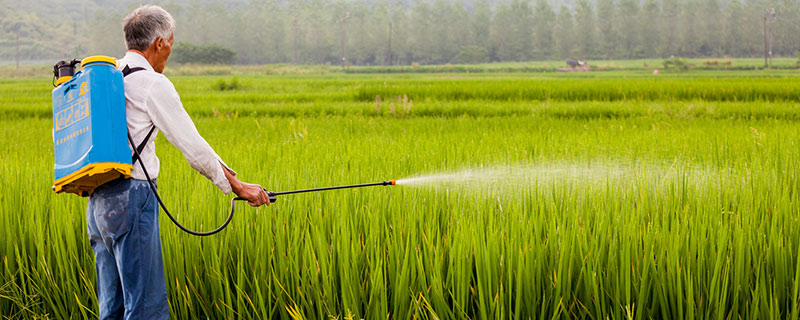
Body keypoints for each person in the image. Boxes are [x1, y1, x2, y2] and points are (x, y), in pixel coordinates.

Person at [85, 5, 269, 319]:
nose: (171, 47)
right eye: (171, 41)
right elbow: (193, 147)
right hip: (132, 199)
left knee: (112, 309)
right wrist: (236, 186)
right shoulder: (151, 84)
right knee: (146, 308)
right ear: (159, 43)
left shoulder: (106, 76)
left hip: (97, 203)